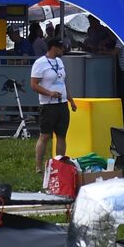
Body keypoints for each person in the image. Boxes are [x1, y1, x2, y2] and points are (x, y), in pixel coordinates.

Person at [31, 38, 75, 174]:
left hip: (62, 104)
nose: (63, 50)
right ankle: (38, 166)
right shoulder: (40, 63)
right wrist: (49, 93)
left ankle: (59, 164)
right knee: (44, 136)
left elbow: (63, 82)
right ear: (53, 47)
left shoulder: (60, 62)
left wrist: (71, 101)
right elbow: (34, 85)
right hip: (48, 105)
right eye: (61, 47)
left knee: (61, 135)